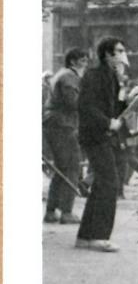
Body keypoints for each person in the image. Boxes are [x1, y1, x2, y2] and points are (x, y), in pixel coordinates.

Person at [75, 37, 129, 251]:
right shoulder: (93, 75)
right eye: (119, 50)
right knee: (109, 183)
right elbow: (86, 106)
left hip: (104, 135)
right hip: (94, 135)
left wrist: (124, 94)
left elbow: (115, 107)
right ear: (107, 54)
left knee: (101, 184)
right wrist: (108, 122)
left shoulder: (113, 77)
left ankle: (86, 236)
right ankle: (98, 236)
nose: (123, 54)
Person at [43, 48, 89, 225]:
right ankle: (67, 212)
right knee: (72, 167)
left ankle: (51, 210)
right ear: (72, 62)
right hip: (62, 124)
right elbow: (74, 103)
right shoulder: (70, 77)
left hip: (55, 123)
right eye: (82, 61)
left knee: (61, 168)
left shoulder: (62, 75)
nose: (85, 64)